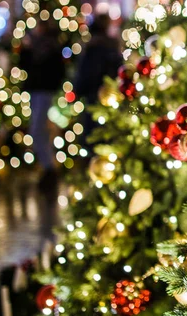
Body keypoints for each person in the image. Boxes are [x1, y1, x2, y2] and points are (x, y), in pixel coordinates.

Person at [20, 19, 65, 192]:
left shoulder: (51, 47)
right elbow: (24, 64)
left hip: (45, 91)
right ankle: (48, 167)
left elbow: (56, 70)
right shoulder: (33, 44)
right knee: (39, 130)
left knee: (38, 129)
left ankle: (49, 168)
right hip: (35, 90)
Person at [73, 13, 122, 145]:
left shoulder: (93, 47)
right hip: (108, 93)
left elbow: (86, 72)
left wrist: (78, 89)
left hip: (95, 94)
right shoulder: (111, 47)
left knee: (93, 132)